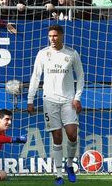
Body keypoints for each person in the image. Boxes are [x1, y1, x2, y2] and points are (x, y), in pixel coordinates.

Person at [27, 24, 84, 185]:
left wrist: (77, 97)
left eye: (56, 36)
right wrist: (30, 100)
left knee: (72, 134)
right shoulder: (43, 54)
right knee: (57, 137)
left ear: (62, 36)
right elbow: (35, 77)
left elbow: (80, 77)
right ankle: (59, 175)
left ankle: (70, 165)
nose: (52, 39)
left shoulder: (71, 54)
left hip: (68, 100)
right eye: (50, 36)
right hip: (49, 100)